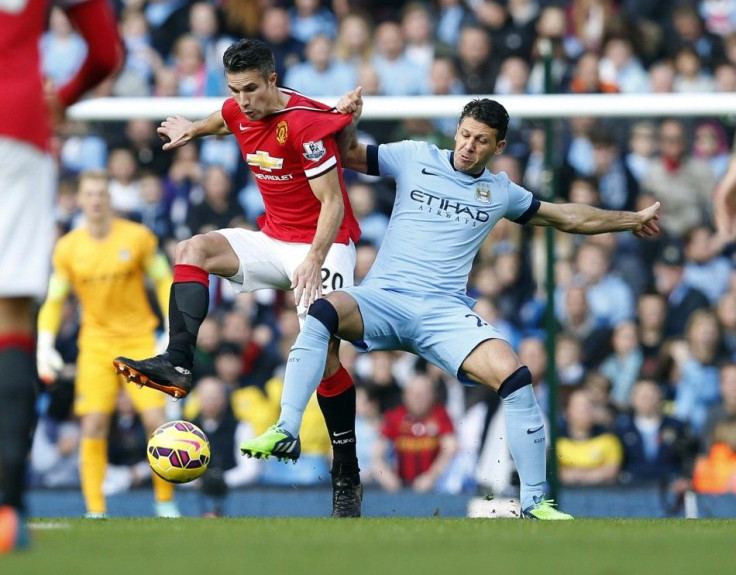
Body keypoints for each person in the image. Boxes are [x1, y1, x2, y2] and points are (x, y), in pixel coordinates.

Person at [240, 92, 662, 520]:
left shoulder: (500, 192)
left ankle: (535, 501)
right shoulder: (413, 156)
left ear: (498, 147)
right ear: (455, 130)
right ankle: (286, 428)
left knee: (516, 379)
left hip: (442, 314)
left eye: (481, 141)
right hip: (385, 297)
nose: (468, 146)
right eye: (464, 134)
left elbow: (568, 217)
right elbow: (345, 154)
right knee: (323, 312)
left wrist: (630, 220)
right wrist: (350, 120)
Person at [113, 38, 364, 518]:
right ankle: (178, 362)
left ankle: (346, 474)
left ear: (273, 79)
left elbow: (332, 203)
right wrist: (193, 128)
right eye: (235, 89)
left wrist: (313, 258)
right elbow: (226, 118)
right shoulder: (238, 108)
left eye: (251, 88)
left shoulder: (307, 126)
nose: (244, 100)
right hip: (273, 240)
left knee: (325, 354)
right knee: (192, 249)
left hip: (324, 244)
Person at [0, 0, 121, 553]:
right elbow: (103, 52)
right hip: (17, 126)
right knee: (12, 318)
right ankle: (6, 507)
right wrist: (61, 101)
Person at [37, 171, 179, 519]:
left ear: (110, 199)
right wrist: (45, 343)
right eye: (89, 193)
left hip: (139, 341)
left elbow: (164, 280)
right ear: (80, 200)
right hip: (96, 345)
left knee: (155, 420)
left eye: (102, 193)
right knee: (94, 424)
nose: (96, 200)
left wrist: (173, 328)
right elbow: (55, 299)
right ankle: (96, 510)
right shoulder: (68, 248)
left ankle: (165, 503)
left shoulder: (138, 237)